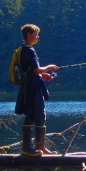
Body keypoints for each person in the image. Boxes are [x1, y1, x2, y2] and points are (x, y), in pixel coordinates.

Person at [15, 24, 59, 156]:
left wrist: (43, 75)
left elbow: (31, 71)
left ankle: (38, 148)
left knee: (34, 114)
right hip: (33, 88)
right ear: (29, 35)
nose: (37, 37)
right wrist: (49, 67)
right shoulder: (29, 50)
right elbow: (35, 70)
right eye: (35, 34)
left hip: (30, 86)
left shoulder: (23, 50)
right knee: (37, 114)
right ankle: (29, 148)